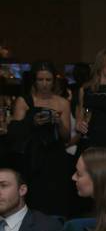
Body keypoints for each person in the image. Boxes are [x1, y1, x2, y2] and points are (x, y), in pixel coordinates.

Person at [10, 61, 73, 216]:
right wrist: (32, 122)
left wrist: (58, 123)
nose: (44, 84)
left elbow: (66, 137)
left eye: (48, 80)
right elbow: (15, 133)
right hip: (31, 157)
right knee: (33, 200)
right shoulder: (23, 101)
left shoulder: (62, 102)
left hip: (55, 156)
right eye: (40, 80)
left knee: (55, 200)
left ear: (54, 81)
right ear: (34, 80)